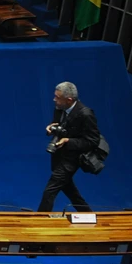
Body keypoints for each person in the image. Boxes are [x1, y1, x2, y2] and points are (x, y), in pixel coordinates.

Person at [37, 82, 100, 212]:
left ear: (69, 100)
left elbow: (92, 141)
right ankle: (87, 214)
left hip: (71, 160)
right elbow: (60, 127)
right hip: (58, 156)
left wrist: (68, 141)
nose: (54, 100)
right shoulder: (59, 108)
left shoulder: (85, 114)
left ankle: (40, 219)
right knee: (71, 191)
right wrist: (51, 128)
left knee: (50, 191)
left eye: (57, 97)